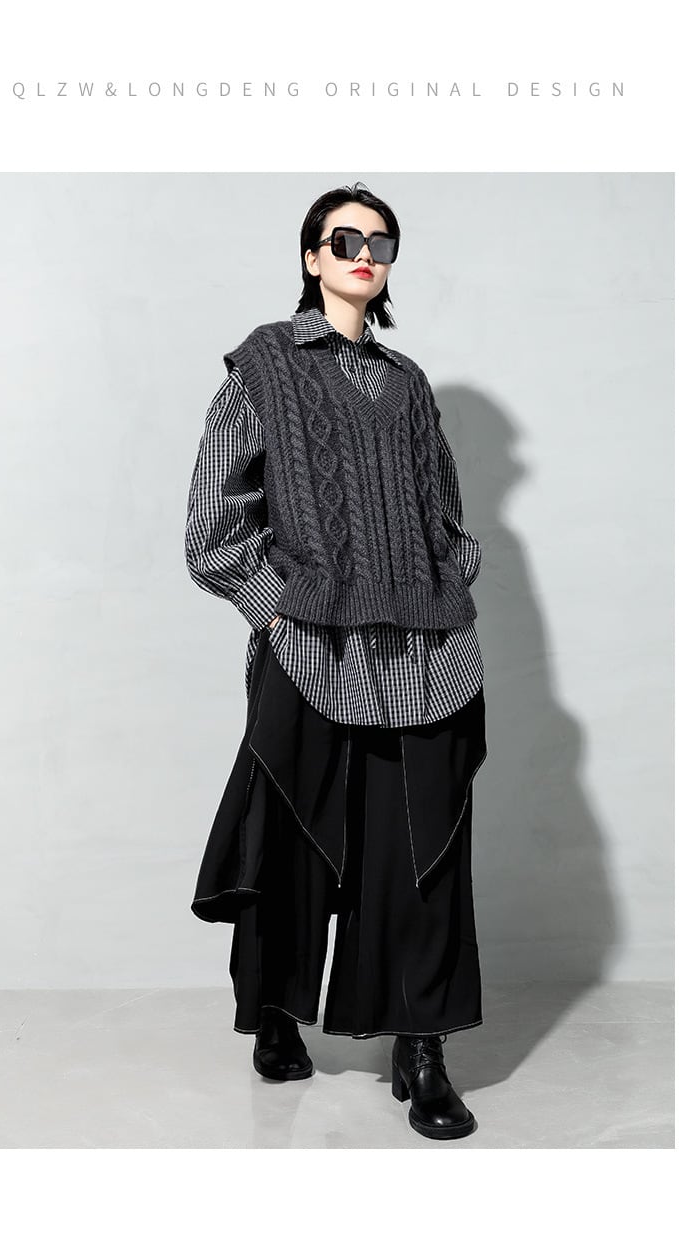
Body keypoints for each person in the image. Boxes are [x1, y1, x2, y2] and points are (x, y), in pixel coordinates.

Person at [184, 181, 488, 1141]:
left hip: (422, 649)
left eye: (381, 242)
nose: (364, 254)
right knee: (292, 836)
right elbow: (212, 526)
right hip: (312, 645)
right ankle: (276, 1011)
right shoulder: (265, 365)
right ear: (312, 256)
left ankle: (421, 1048)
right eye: (344, 238)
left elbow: (446, 515)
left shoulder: (409, 385)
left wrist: (445, 582)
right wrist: (278, 614)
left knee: (422, 851)